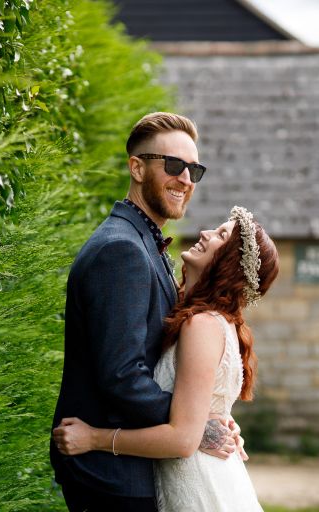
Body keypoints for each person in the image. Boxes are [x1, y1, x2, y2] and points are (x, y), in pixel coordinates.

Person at [50, 112, 243, 512]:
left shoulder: (143, 243)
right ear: (136, 168)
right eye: (174, 166)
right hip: (111, 476)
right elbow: (122, 376)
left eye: (194, 169)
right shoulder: (120, 249)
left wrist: (205, 420)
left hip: (132, 469)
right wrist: (192, 427)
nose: (186, 179)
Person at [53, 206, 280, 511]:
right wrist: (212, 423)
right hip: (197, 474)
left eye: (220, 235)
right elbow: (197, 408)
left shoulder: (202, 325)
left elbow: (183, 440)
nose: (205, 233)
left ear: (230, 264)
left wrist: (94, 438)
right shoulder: (210, 320)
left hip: (199, 481)